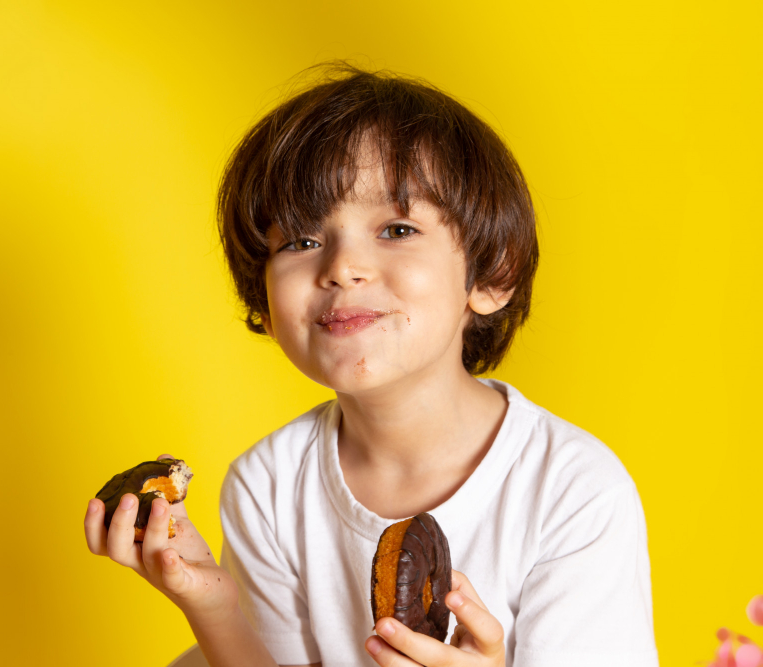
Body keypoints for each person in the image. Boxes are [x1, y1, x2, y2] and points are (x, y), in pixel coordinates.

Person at [84, 64, 658, 667]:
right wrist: (213, 604)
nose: (341, 266)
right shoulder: (269, 485)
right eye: (300, 242)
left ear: (493, 274)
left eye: (396, 228)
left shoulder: (572, 491)